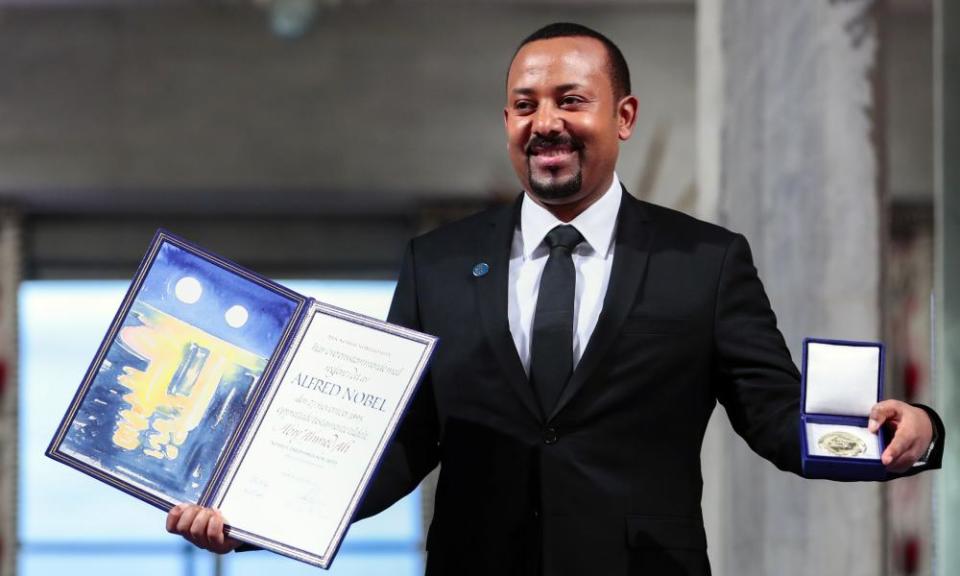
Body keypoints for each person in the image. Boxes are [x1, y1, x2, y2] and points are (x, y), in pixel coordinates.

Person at [167, 22, 944, 576]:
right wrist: (254, 521)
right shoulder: (436, 263)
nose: (547, 123)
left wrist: (907, 432)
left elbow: (775, 416)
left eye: (571, 100)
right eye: (525, 104)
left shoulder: (705, 262)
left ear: (623, 116)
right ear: (507, 120)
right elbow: (400, 442)